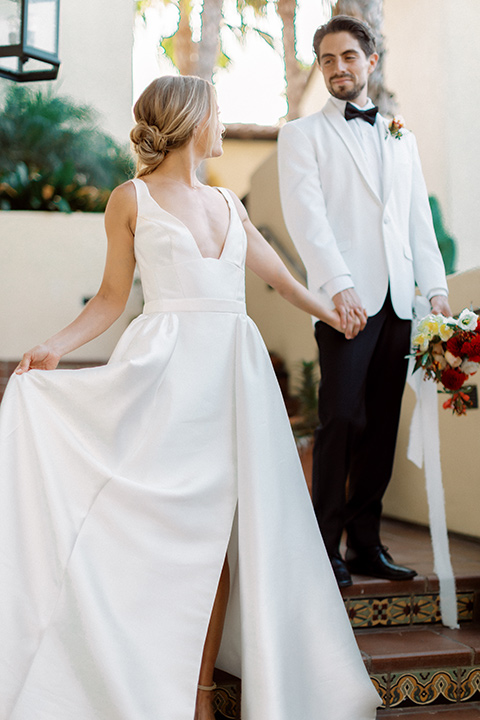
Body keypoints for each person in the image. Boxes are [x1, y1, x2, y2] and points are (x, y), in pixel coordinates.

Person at [0, 75, 380, 720]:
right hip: (162, 377)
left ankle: (201, 695)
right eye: (218, 112)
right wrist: (56, 346)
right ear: (191, 120)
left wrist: (335, 311)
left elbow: (282, 281)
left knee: (223, 534)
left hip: (233, 375)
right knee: (158, 529)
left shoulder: (230, 203)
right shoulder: (131, 198)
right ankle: (127, 669)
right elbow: (112, 298)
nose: (224, 122)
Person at [277, 16, 451, 589]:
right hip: (344, 303)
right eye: (326, 60)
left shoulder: (401, 133)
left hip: (401, 302)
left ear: (370, 62)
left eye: (347, 57)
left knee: (381, 424)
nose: (337, 69)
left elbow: (416, 220)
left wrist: (437, 288)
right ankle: (322, 546)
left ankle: (365, 545)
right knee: (341, 418)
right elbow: (308, 219)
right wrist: (339, 283)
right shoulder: (302, 135)